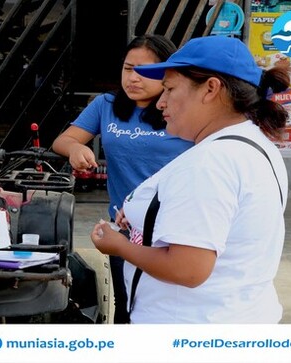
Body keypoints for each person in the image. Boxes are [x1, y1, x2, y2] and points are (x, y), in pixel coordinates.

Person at [90, 36, 290, 323]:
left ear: (210, 89)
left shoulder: (211, 162)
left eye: (170, 89)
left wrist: (119, 246)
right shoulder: (252, 144)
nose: (160, 102)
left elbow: (188, 269)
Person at [52, 34, 193, 323]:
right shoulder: (106, 105)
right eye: (128, 68)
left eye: (144, 70)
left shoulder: (183, 110)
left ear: (166, 73)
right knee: (127, 306)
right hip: (125, 228)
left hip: (173, 227)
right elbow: (63, 140)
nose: (133, 78)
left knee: (169, 308)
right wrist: (76, 148)